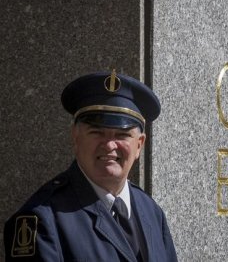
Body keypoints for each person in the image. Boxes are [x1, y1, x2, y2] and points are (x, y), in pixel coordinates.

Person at [3, 70, 178, 261]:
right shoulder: (42, 220)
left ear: (139, 145)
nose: (110, 145)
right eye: (97, 132)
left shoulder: (151, 212)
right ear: (76, 138)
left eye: (122, 135)